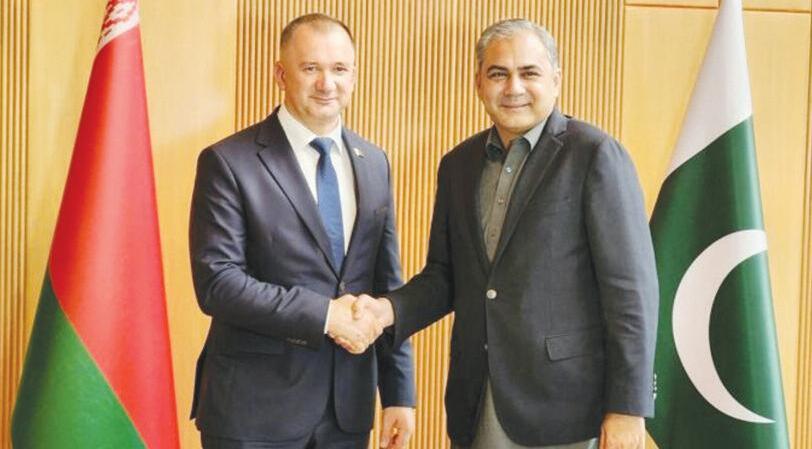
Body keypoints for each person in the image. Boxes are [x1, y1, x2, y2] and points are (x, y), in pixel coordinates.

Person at [346, 18, 658, 449]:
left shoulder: (594, 155)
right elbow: (444, 277)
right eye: (498, 74)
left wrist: (627, 407)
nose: (514, 87)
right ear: (479, 83)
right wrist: (386, 311)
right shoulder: (458, 165)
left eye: (529, 73)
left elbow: (631, 291)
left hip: (565, 409)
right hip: (477, 398)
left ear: (555, 79)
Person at [189, 13, 415, 449]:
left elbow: (386, 284)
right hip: (253, 412)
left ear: (354, 76)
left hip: (346, 413)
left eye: (339, 69)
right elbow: (218, 284)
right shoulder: (229, 162)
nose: (326, 83)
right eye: (311, 68)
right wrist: (326, 315)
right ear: (281, 74)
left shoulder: (375, 162)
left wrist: (398, 393)